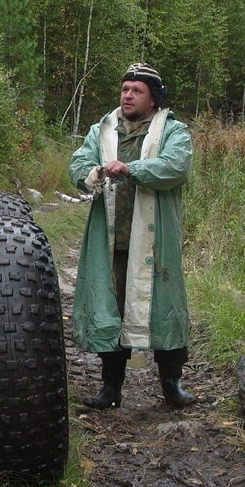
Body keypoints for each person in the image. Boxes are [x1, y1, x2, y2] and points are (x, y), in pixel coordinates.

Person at [68, 62, 195, 409]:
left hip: (156, 241)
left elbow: (175, 167)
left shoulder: (173, 130)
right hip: (111, 239)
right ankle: (111, 388)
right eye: (125, 89)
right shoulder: (103, 130)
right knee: (112, 310)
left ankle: (172, 386)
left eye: (137, 90)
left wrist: (131, 169)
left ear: (153, 99)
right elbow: (77, 165)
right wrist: (94, 173)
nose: (128, 95)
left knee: (165, 309)